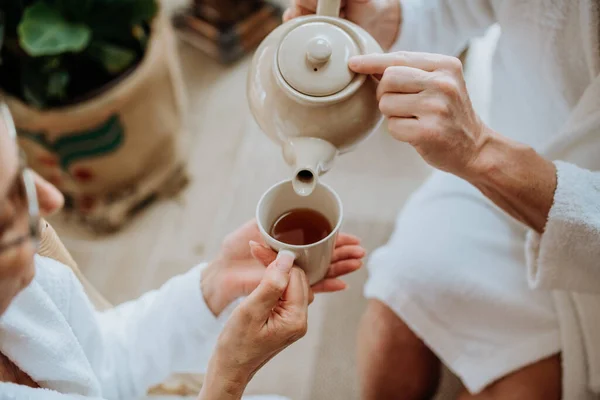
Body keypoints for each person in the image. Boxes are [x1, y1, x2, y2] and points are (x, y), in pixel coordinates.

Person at [287, 1, 600, 399]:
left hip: (574, 226)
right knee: (394, 310)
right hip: (506, 158)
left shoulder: (482, 152)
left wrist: (481, 152)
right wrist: (386, 20)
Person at [0, 101, 366, 399]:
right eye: (12, 200)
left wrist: (212, 286)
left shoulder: (26, 288)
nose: (51, 200)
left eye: (21, 167)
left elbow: (105, 362)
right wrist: (227, 379)